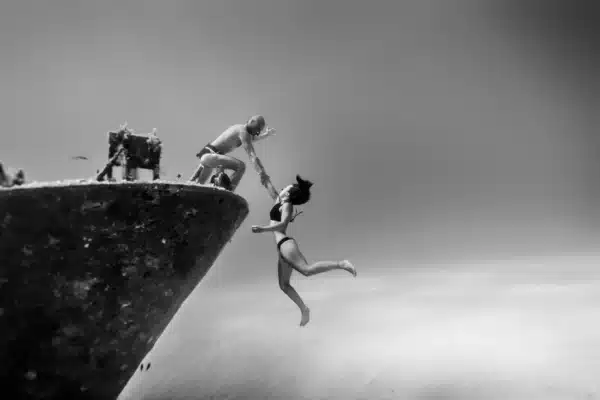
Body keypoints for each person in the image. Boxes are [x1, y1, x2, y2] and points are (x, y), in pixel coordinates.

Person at [251, 175, 357, 327]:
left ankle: (342, 264)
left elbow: (282, 224)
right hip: (281, 248)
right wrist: (263, 177)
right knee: (284, 285)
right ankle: (304, 309)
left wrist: (262, 229)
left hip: (285, 244)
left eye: (287, 187)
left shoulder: (287, 205)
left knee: (306, 270)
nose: (285, 187)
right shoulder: (280, 201)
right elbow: (271, 188)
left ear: (290, 192)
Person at [189, 115, 276, 192]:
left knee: (197, 187)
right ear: (252, 122)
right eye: (257, 130)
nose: (257, 133)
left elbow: (252, 139)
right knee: (241, 167)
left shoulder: (239, 129)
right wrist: (261, 173)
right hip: (211, 157)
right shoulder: (243, 132)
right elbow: (251, 155)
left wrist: (266, 135)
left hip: (208, 157)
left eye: (258, 132)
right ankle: (228, 191)